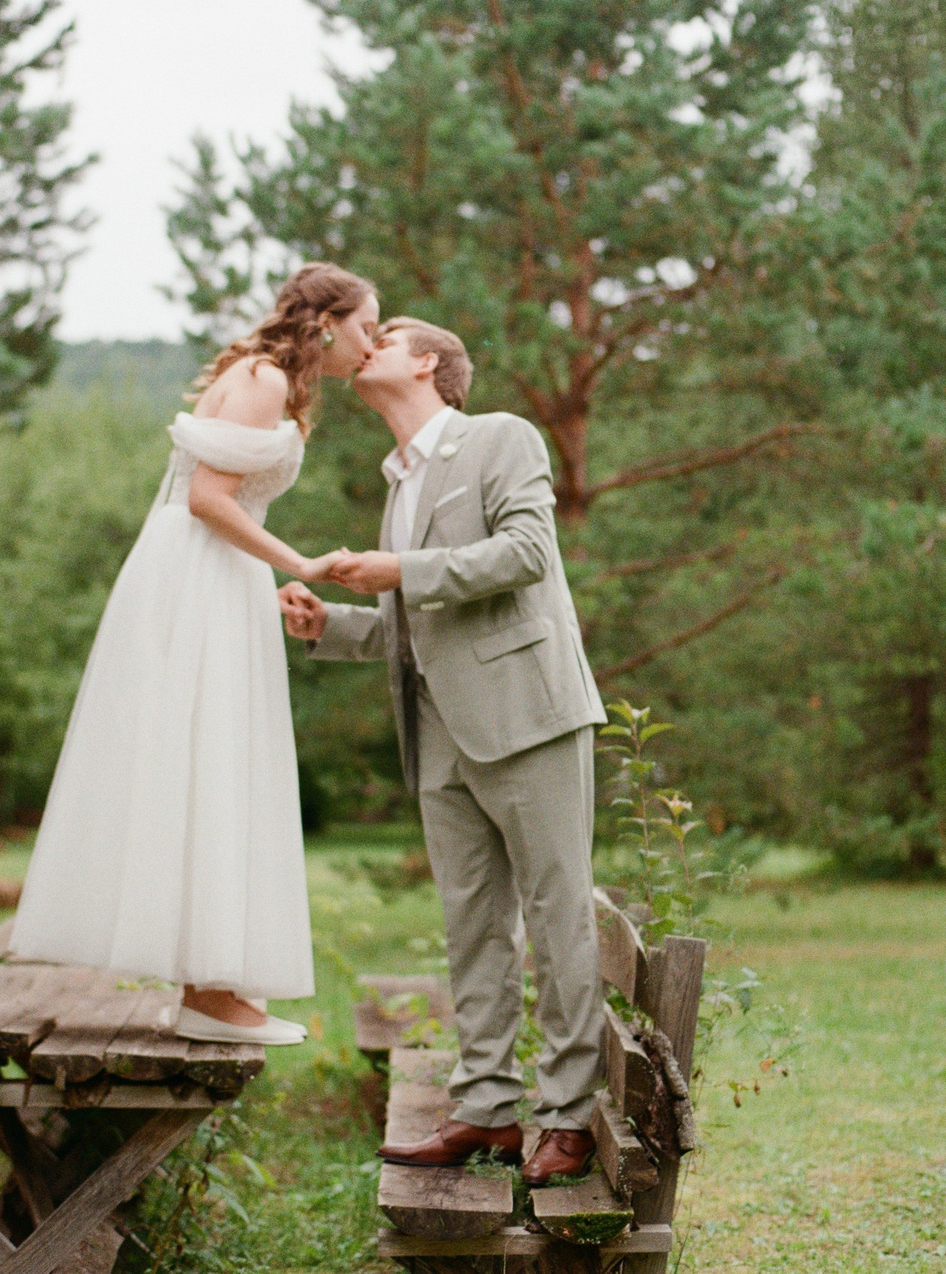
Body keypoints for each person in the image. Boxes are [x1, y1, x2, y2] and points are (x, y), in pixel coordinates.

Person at [10, 263, 380, 1047]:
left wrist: (260, 584)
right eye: (366, 327)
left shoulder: (270, 379)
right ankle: (207, 991)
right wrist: (301, 563)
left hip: (216, 576)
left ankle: (212, 985)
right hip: (200, 575)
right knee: (208, 758)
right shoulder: (264, 379)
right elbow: (209, 499)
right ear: (326, 324)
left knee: (216, 762)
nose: (371, 344)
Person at [279, 317, 611, 1186]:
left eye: (386, 334)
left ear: (428, 362)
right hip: (438, 735)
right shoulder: (399, 482)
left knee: (557, 915)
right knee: (472, 927)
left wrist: (400, 571)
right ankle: (486, 1110)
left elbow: (528, 553)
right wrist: (328, 625)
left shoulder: (500, 436)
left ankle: (568, 1116)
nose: (367, 341)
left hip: (528, 715)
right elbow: (414, 622)